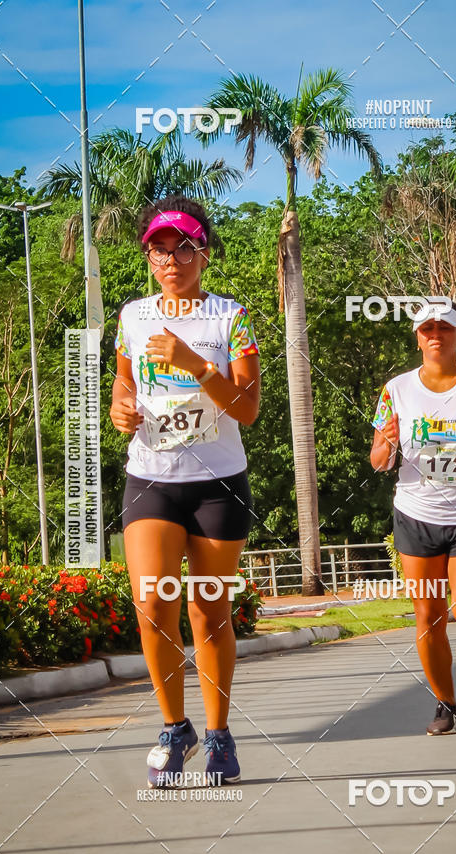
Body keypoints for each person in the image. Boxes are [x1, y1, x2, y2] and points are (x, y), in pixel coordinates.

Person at [110, 196, 260, 787]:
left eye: (183, 249)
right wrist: (121, 407)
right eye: (159, 250)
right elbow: (125, 385)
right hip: (151, 475)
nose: (170, 260)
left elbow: (246, 409)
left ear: (203, 252)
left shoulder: (232, 318)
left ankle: (220, 736)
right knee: (152, 607)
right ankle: (175, 730)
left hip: (218, 482)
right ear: (149, 256)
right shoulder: (133, 315)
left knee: (208, 611)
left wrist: (195, 363)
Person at [370, 300, 456, 736]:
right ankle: (446, 702)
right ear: (417, 337)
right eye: (427, 328)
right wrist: (389, 445)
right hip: (416, 516)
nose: (435, 335)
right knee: (428, 616)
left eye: (444, 328)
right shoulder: (395, 390)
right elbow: (378, 459)